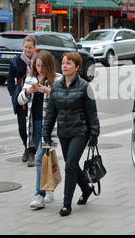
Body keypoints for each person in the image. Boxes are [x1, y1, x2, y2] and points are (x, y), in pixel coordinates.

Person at [43, 52, 99, 217]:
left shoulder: (84, 87)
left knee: (69, 165)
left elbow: (92, 113)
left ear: (77, 67)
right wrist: (46, 132)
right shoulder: (56, 87)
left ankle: (66, 204)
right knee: (72, 165)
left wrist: (94, 133)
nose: (64, 66)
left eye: (68, 63)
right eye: (63, 63)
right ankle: (86, 189)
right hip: (64, 132)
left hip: (80, 132)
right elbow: (51, 113)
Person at [18, 51, 62, 209]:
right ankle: (49, 188)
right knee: (46, 158)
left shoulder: (57, 79)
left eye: (43, 66)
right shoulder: (30, 79)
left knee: (39, 158)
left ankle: (39, 195)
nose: (40, 69)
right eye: (37, 66)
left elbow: (64, 98)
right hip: (34, 123)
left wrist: (48, 91)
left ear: (49, 65)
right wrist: (27, 92)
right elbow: (20, 99)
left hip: (49, 124)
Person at [7, 35, 37, 165]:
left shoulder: (39, 60)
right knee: (22, 127)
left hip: (36, 97)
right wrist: (14, 94)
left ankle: (32, 153)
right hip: (22, 98)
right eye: (25, 47)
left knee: (34, 126)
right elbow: (10, 80)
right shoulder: (16, 61)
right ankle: (26, 146)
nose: (27, 50)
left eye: (30, 48)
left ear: (34, 48)